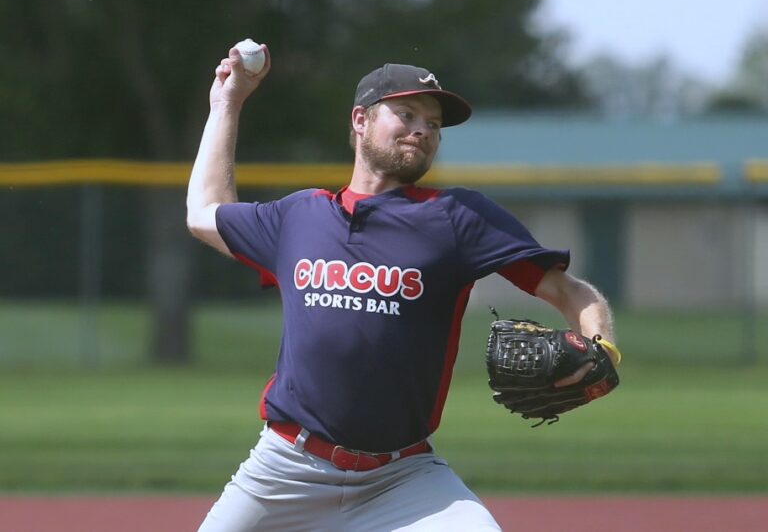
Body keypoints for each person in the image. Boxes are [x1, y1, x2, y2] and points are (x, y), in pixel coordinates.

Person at [187, 43, 617, 532]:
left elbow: (570, 292)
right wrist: (227, 104)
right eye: (407, 113)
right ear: (360, 121)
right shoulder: (298, 217)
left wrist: (602, 345)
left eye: (433, 125)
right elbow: (203, 215)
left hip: (403, 480)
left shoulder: (457, 218)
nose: (422, 130)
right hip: (286, 471)